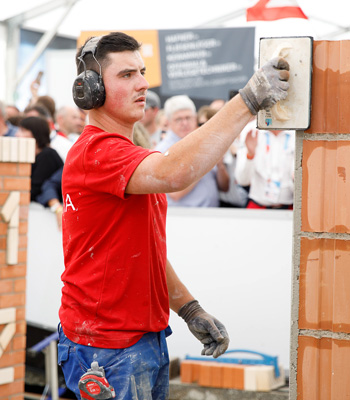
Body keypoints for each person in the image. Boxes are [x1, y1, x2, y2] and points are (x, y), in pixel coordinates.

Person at [57, 31, 289, 400]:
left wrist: (189, 308)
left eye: (142, 72)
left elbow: (142, 251)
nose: (143, 83)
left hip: (139, 339)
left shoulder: (126, 154)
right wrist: (247, 101)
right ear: (90, 88)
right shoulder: (95, 152)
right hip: (107, 347)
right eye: (126, 75)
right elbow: (175, 172)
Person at [156, 95, 229, 207]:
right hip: (185, 219)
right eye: (179, 119)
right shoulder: (162, 151)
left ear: (195, 118)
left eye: (188, 118)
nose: (184, 123)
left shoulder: (204, 142)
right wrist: (203, 161)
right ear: (169, 122)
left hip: (213, 215)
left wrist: (220, 167)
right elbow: (175, 194)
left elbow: (224, 188)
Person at [235, 120, 295, 209]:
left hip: (290, 207)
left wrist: (296, 178)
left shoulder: (297, 129)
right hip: (257, 206)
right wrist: (250, 155)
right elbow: (242, 181)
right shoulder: (251, 130)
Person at [16, 116, 63, 201]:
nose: (17, 134)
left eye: (23, 131)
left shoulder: (47, 155)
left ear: (35, 133)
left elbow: (36, 189)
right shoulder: (30, 155)